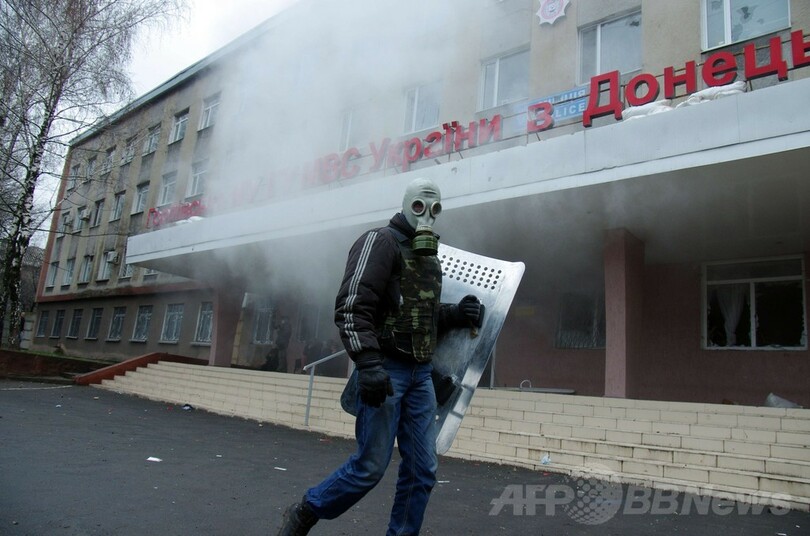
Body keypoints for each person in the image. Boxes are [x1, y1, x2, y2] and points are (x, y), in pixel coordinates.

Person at [278, 178, 483, 536]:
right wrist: (369, 363)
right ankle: (306, 510)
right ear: (406, 205)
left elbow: (419, 315)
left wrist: (455, 314)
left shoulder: (428, 256)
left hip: (420, 374)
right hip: (386, 370)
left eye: (434, 209)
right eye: (419, 206)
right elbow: (352, 306)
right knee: (370, 467)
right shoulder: (379, 242)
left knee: (422, 470)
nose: (426, 216)